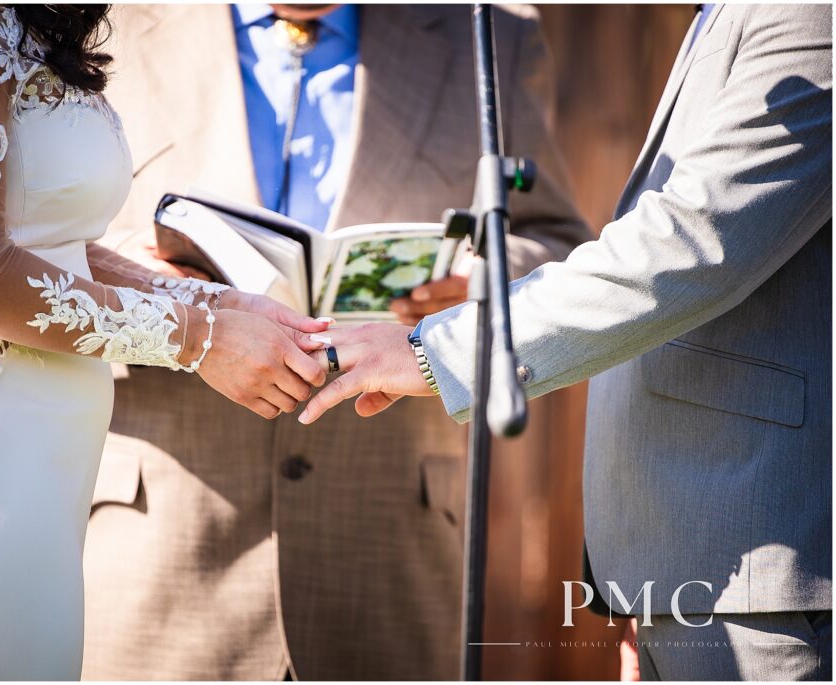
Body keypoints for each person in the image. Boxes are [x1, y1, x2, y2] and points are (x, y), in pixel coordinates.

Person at [301, 4, 832, 680]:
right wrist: (647, 580)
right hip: (697, 570)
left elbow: (694, 242)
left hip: (772, 574)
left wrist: (440, 348)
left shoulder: (812, 14)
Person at [0, 4, 329, 680]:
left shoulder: (3, 17)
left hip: (37, 469)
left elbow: (55, 244)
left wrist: (223, 305)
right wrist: (200, 338)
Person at [82, 3, 589, 680]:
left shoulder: (490, 31)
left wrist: (479, 281)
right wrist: (143, 276)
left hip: (389, 547)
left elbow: (555, 242)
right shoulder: (105, 15)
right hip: (157, 541)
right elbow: (26, 232)